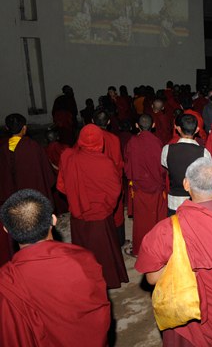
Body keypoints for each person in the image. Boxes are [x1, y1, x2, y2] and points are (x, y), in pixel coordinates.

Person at [135, 157, 212, 346]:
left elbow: (152, 278)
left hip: (187, 316)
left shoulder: (166, 229)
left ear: (186, 184)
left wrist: (180, 260)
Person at [0, 189, 111, 346]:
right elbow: (98, 315)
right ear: (53, 220)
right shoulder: (82, 259)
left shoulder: (6, 282)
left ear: (6, 230)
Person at [57, 124, 129, 289]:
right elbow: (115, 191)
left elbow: (61, 186)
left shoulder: (69, 158)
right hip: (101, 216)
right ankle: (109, 279)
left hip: (78, 214)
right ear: (100, 142)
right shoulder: (105, 163)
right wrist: (107, 208)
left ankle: (86, 280)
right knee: (105, 252)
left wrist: (77, 196)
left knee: (84, 251)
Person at [0, 113, 55, 266]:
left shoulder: (3, 149)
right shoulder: (32, 147)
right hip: (33, 201)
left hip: (11, 203)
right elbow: (47, 175)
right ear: (24, 128)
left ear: (6, 128)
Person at [124, 114, 168, 256]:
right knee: (157, 219)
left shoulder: (132, 142)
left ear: (137, 126)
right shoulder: (157, 142)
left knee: (141, 221)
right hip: (156, 187)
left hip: (139, 188)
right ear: (153, 125)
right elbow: (163, 168)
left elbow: (127, 164)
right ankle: (160, 249)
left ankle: (141, 250)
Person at [161, 114, 211, 216]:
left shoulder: (167, 149)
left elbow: (166, 167)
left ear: (178, 129)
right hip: (196, 201)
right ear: (197, 130)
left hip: (174, 201)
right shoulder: (204, 152)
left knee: (175, 230)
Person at [92, 109, 126, 245]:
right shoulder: (114, 139)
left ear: (92, 121)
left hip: (94, 182)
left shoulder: (86, 140)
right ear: (109, 122)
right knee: (116, 212)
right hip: (112, 181)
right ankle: (119, 240)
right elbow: (118, 163)